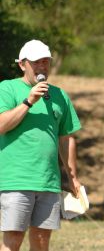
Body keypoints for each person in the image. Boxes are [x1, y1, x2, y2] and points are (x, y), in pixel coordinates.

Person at [0, 40, 82, 251]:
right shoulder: (7, 88)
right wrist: (28, 102)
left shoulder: (60, 95)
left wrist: (72, 177)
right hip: (16, 179)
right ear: (22, 64)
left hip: (48, 180)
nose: (42, 67)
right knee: (13, 239)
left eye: (46, 62)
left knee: (42, 240)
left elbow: (66, 137)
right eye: (36, 62)